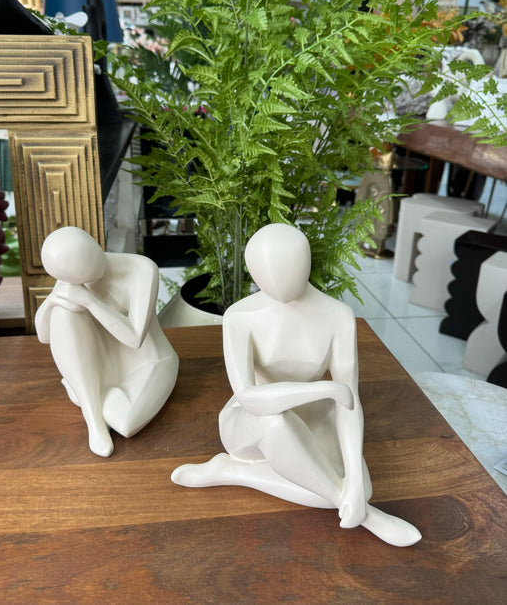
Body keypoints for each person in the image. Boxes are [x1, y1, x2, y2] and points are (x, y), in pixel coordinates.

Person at [172, 223, 421, 546]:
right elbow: (249, 398)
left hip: (313, 416)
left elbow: (349, 404)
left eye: (287, 270)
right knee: (279, 428)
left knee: (361, 487)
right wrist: (325, 389)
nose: (277, 283)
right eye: (265, 274)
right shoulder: (240, 316)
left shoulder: (338, 316)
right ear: (252, 272)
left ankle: (234, 472)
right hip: (251, 422)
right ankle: (368, 515)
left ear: (306, 263)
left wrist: (357, 483)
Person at [35, 227, 179, 457]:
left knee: (126, 424)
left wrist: (90, 301)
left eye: (91, 257)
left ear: (93, 243)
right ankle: (93, 417)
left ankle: (81, 392)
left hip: (149, 362)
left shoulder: (141, 269)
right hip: (103, 359)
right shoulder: (72, 273)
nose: (93, 269)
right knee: (62, 314)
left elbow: (135, 338)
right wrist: (53, 300)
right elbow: (44, 336)